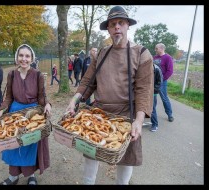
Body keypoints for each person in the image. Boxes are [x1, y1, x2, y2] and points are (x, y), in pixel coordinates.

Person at [66, 6, 154, 185]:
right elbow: (87, 82)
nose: (117, 27)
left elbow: (144, 90)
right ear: (108, 28)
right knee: (92, 152)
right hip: (100, 113)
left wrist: (138, 120)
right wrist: (73, 101)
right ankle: (88, 182)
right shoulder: (101, 54)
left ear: (128, 25)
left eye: (121, 23)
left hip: (126, 115)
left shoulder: (142, 54)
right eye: (113, 24)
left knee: (126, 157)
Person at [0, 44, 52, 185]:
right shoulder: (12, 74)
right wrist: (2, 110)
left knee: (29, 144)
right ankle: (13, 176)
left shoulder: (38, 75)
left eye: (27, 56)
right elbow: (8, 97)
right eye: (21, 55)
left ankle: (31, 175)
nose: (24, 59)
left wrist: (47, 104)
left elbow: (41, 96)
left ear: (32, 58)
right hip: (15, 114)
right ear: (17, 57)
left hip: (32, 115)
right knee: (13, 145)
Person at [153, 43, 174, 122]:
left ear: (162, 49)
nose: (155, 50)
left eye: (156, 48)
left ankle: (169, 114)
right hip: (153, 82)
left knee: (164, 98)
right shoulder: (154, 58)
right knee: (152, 99)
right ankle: (151, 113)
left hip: (162, 82)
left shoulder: (168, 58)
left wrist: (161, 79)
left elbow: (170, 71)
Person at [150, 63, 163, 132]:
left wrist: (154, 91)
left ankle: (155, 124)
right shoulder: (143, 67)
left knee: (152, 109)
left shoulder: (156, 69)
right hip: (144, 91)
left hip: (153, 93)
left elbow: (160, 82)